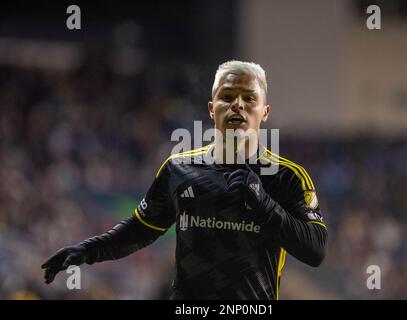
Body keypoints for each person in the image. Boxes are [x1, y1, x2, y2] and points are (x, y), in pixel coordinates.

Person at [42, 60, 328, 300]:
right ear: (211, 108)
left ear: (264, 112)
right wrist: (86, 250)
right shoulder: (179, 168)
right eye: (227, 97)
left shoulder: (287, 177)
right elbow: (140, 230)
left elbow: (315, 250)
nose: (237, 105)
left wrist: (264, 204)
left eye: (249, 98)